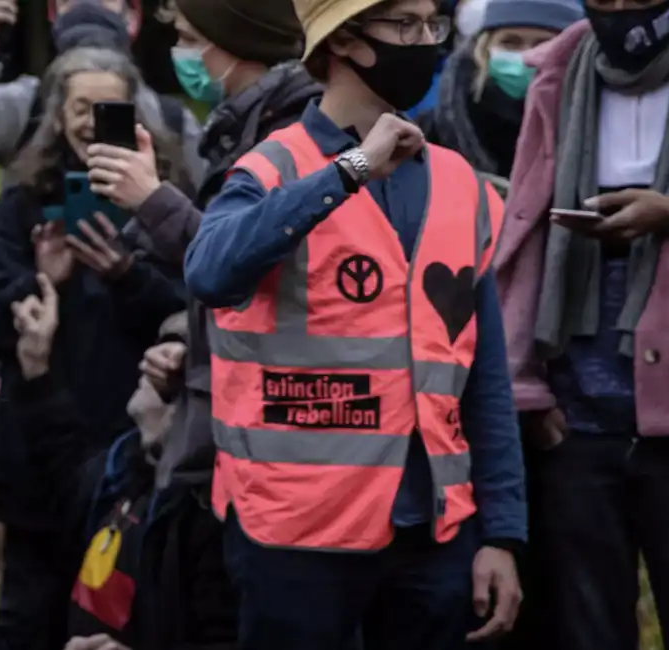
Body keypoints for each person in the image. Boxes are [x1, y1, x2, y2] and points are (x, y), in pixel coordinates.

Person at [183, 0, 526, 647]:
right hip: (293, 535)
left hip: (431, 534)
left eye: (434, 25)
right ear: (344, 41)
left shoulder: (462, 186)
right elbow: (209, 272)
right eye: (406, 26)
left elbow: (484, 380)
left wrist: (502, 532)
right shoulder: (270, 170)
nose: (426, 42)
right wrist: (351, 172)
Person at [0, 46, 190, 650]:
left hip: (128, 456)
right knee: (24, 621)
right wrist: (40, 280)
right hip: (36, 453)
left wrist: (125, 275)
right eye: (80, 107)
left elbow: (190, 310)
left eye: (107, 108)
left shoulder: (163, 201)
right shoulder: (26, 199)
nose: (91, 122)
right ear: (58, 115)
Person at [85, 0, 321, 490]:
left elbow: (240, 261)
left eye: (192, 39)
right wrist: (186, 341)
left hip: (263, 418)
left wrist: (152, 198)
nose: (180, 53)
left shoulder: (287, 134)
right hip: (219, 388)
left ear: (240, 42)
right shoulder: (238, 124)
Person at [495, 2, 669, 647]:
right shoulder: (564, 67)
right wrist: (528, 385)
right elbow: (524, 231)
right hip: (578, 407)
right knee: (585, 625)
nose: (621, 10)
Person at [10, 274, 235, 650]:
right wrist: (36, 366)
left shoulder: (205, 516)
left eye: (177, 361)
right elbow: (63, 461)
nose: (153, 363)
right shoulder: (126, 471)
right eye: (160, 348)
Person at [0, 0, 204, 186]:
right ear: (53, 13)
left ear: (131, 16)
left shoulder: (172, 122)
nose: (86, 5)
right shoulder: (30, 106)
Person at [419, 0, 581, 183]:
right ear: (484, 48)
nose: (526, 56)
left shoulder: (596, 126)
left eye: (543, 43)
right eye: (510, 42)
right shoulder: (434, 130)